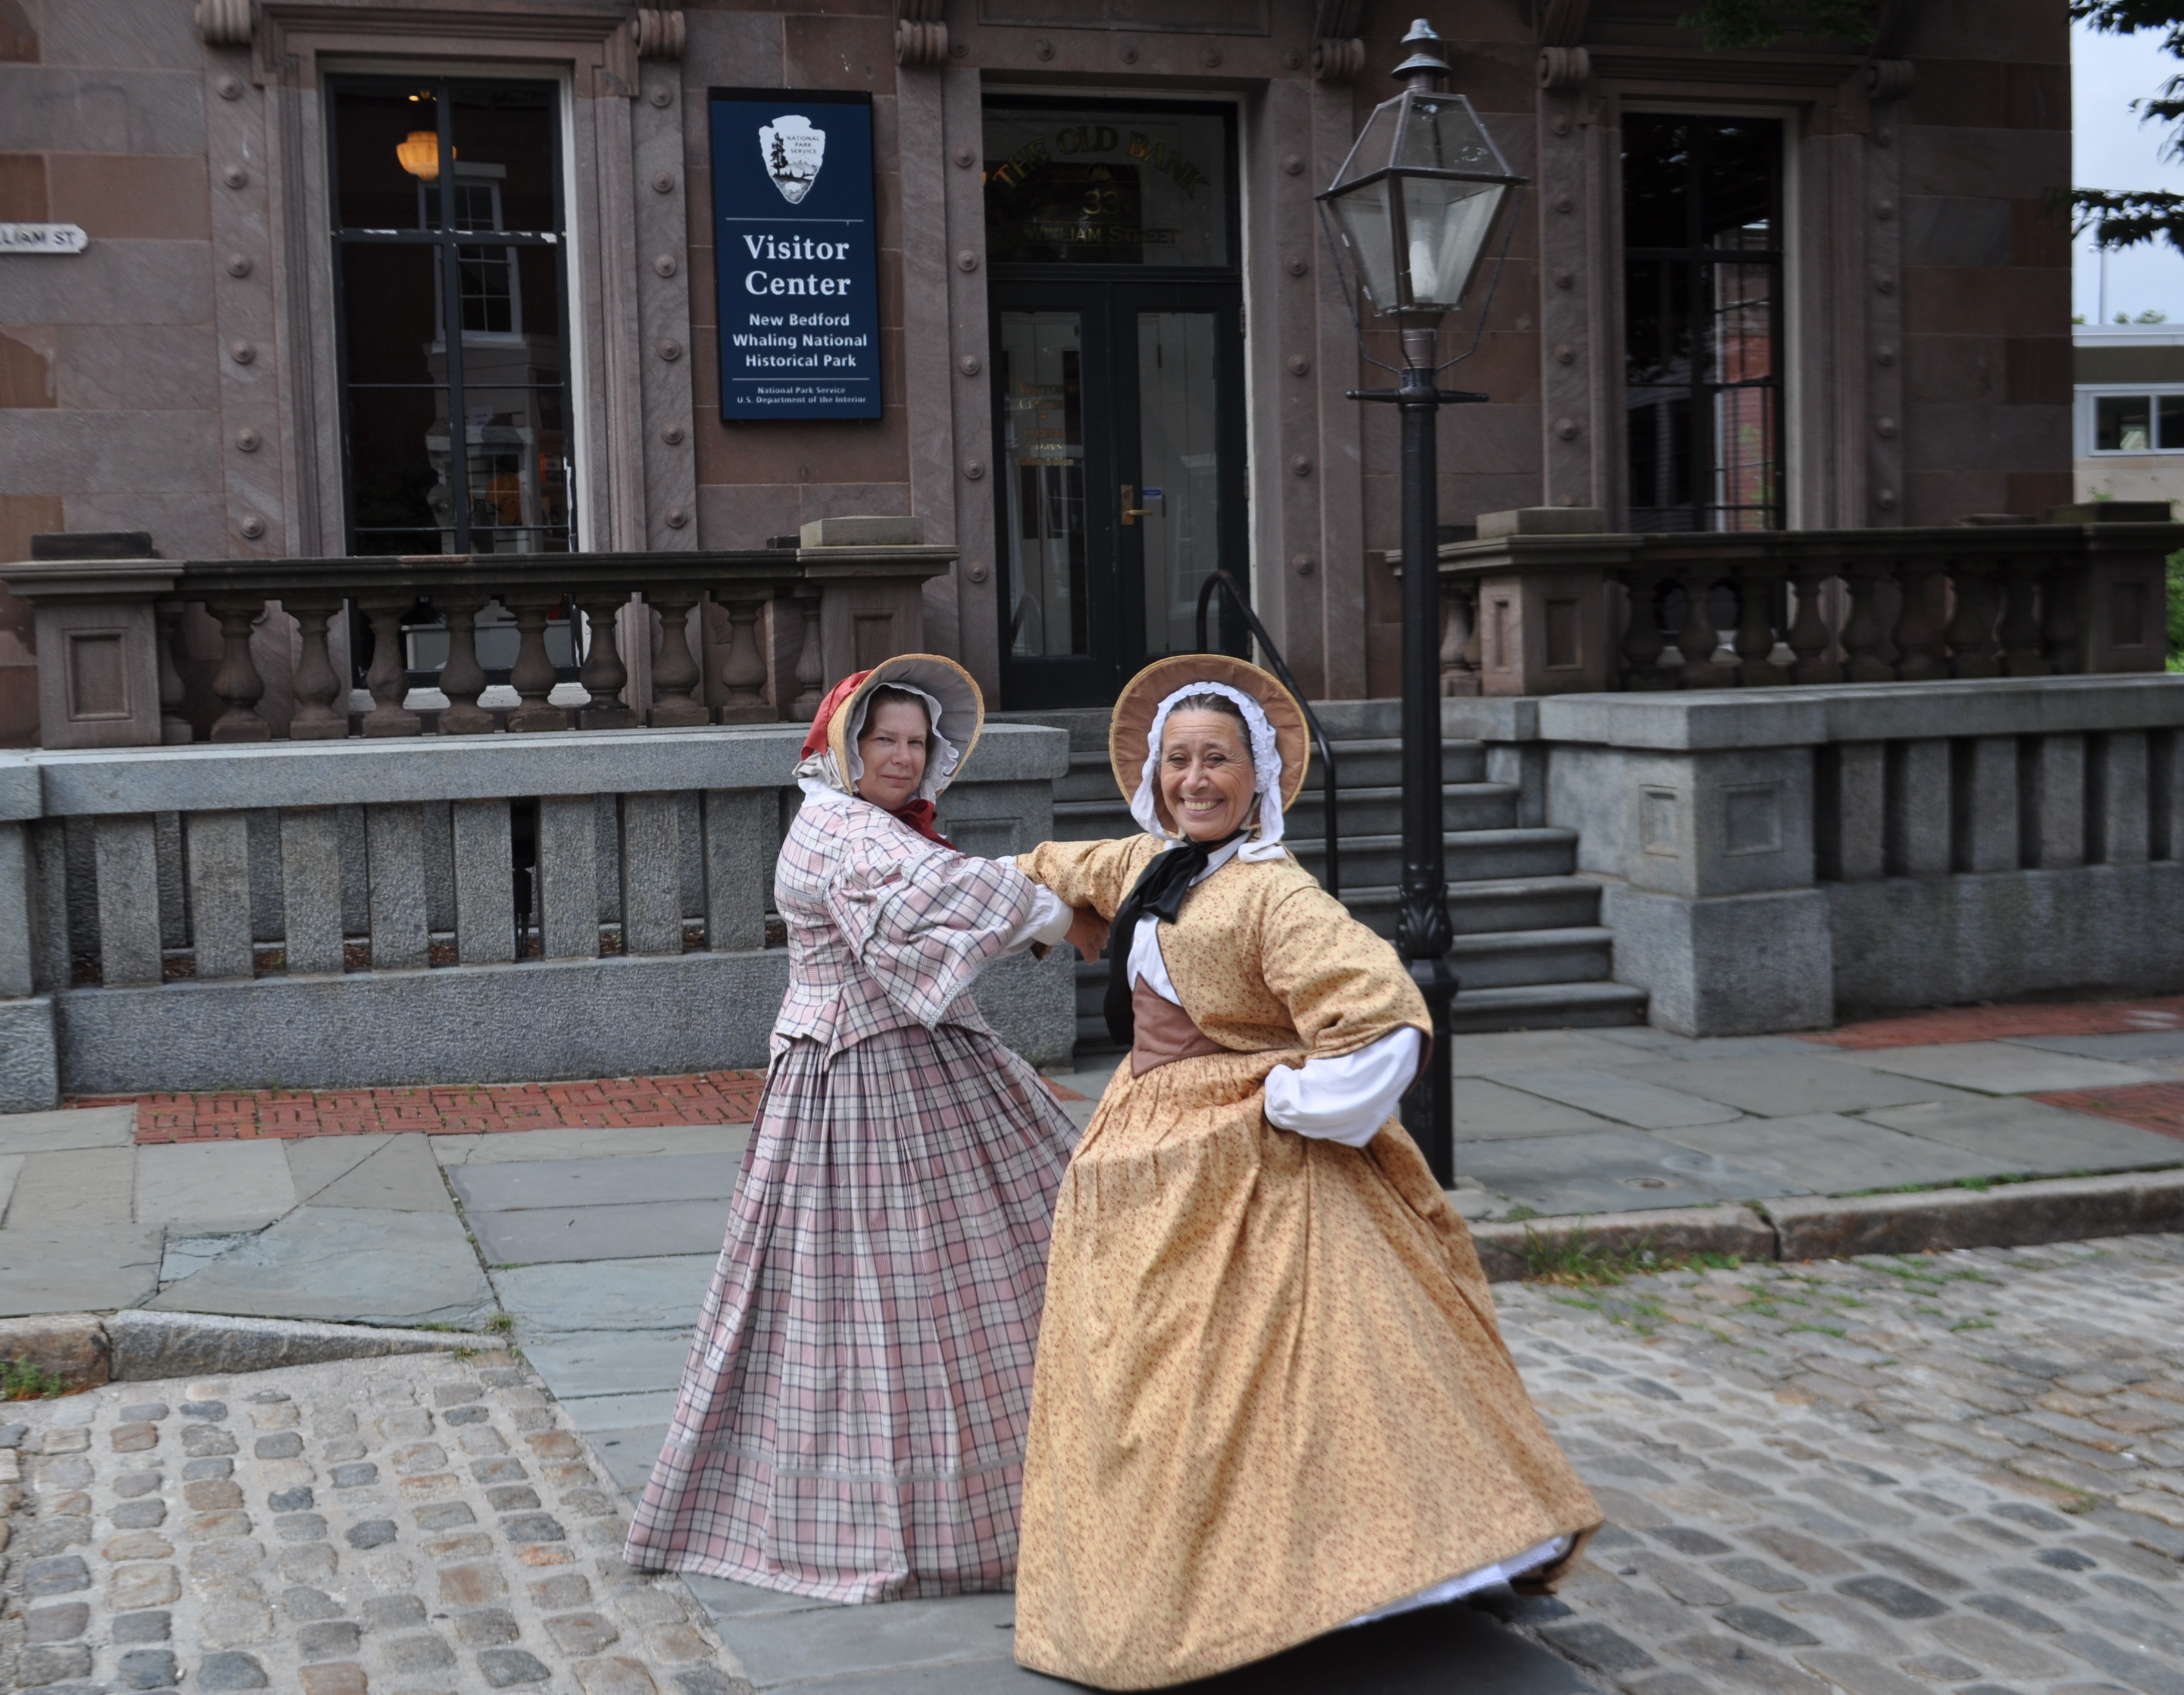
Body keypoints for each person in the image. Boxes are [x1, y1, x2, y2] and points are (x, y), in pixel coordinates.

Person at [1009, 655, 1601, 1690]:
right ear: (1153, 774)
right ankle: (1161, 1568)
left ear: (1261, 775)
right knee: (1147, 1383)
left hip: (1246, 1168)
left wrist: (1285, 1098)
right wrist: (972, 885)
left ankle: (1332, 1573)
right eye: (1180, 761)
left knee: (1279, 1383)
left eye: (1219, 762)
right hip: (1136, 1159)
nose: (1197, 780)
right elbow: (1050, 869)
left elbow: (1382, 1018)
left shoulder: (1271, 895)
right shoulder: (1146, 864)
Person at [626, 655, 1099, 1603]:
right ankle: (913, 1517)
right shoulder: (842, 831)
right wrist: (1066, 899)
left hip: (907, 1060)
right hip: (859, 1079)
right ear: (844, 744)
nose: (900, 756)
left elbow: (944, 889)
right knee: (882, 1299)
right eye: (882, 738)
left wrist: (1041, 900)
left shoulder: (869, 827)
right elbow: (942, 896)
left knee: (987, 1258)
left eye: (916, 744)